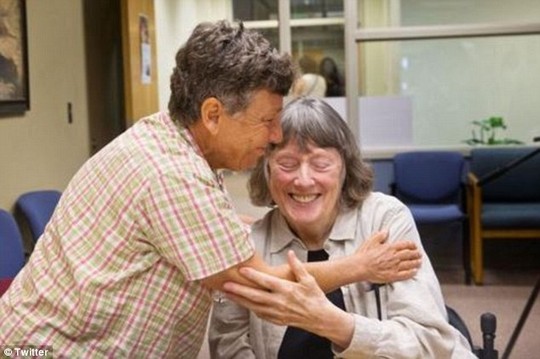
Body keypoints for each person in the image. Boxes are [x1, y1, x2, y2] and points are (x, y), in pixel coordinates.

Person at [0, 21, 421, 358]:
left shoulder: (169, 140)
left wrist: (252, 224)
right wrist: (362, 265)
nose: (275, 135)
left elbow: (185, 224)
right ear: (214, 113)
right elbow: (258, 286)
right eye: (266, 121)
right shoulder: (173, 174)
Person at [209, 96, 475, 358]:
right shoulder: (248, 243)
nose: (303, 180)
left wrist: (330, 322)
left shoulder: (385, 220)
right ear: (266, 170)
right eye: (287, 164)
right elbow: (228, 345)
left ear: (344, 168)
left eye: (320, 164)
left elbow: (431, 344)